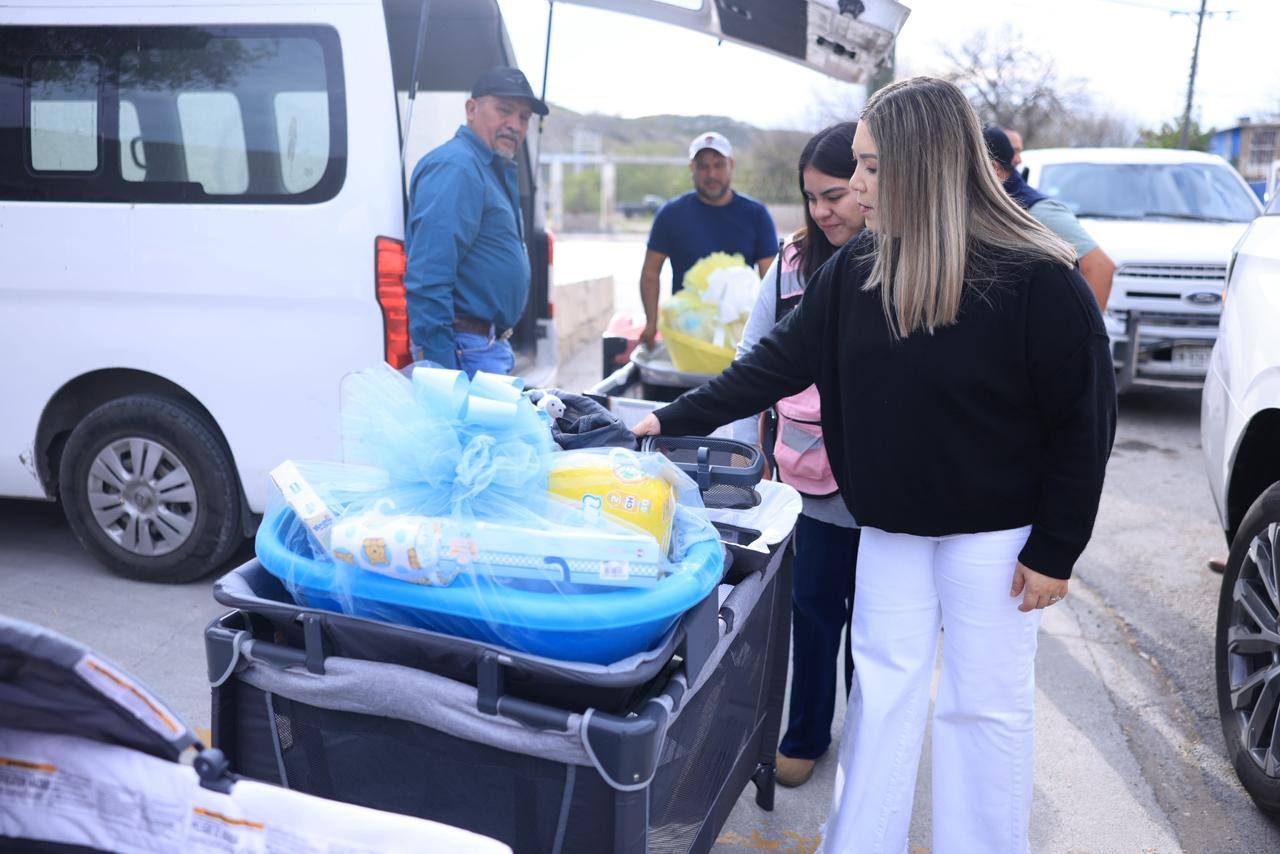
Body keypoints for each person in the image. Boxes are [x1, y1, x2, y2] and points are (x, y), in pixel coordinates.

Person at [634, 77, 1116, 852]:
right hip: (890, 525)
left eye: (868, 167)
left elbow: (1083, 422)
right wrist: (660, 421)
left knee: (982, 706)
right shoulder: (859, 268)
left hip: (996, 541)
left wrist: (1057, 547)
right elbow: (772, 364)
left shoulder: (1037, 278)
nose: (853, 188)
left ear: (921, 165)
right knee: (882, 697)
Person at [729, 122, 864, 789]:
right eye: (812, 198)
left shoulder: (908, 261)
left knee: (875, 630)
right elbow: (753, 361)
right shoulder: (789, 266)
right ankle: (806, 733)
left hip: (892, 491)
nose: (823, 211)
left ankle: (870, 743)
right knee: (812, 613)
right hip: (810, 481)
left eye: (835, 194)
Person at [403, 67, 548, 376]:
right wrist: (443, 374)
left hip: (483, 346)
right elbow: (428, 277)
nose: (514, 125)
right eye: (504, 111)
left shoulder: (489, 168)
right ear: (471, 109)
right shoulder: (457, 167)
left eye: (523, 118)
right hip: (463, 349)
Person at [639, 132, 778, 348]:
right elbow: (650, 272)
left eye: (719, 165)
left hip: (738, 334)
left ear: (731, 165)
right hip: (686, 330)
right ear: (692, 169)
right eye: (703, 166)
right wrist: (651, 323)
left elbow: (770, 280)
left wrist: (769, 333)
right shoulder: (671, 213)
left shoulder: (756, 214)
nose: (711, 174)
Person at [984, 124, 1116, 311]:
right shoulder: (988, 209)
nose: (1018, 158)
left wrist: (1086, 337)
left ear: (994, 167)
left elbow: (1100, 267)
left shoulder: (1038, 211)